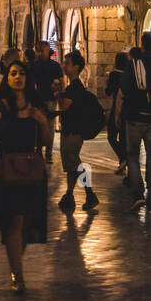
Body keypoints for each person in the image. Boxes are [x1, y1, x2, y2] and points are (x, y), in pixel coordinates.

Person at [0, 59, 51, 293]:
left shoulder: (36, 107)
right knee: (15, 220)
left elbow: (47, 144)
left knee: (27, 222)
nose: (18, 77)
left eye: (21, 73)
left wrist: (43, 123)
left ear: (27, 78)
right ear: (7, 79)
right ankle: (18, 274)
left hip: (31, 170)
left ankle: (15, 264)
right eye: (13, 73)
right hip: (5, 169)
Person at [115, 35, 151, 213]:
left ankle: (138, 195)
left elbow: (123, 90)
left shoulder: (134, 64)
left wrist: (118, 113)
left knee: (133, 157)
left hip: (134, 117)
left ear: (142, 45)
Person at [56, 50, 100, 214]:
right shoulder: (73, 86)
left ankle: (89, 194)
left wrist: (58, 92)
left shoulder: (74, 87)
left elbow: (64, 106)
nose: (64, 66)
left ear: (76, 67)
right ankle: (69, 194)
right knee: (71, 165)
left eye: (67, 63)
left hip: (73, 131)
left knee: (74, 164)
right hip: (71, 129)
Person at [29, 41, 62, 163]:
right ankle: (38, 151)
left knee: (50, 127)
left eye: (43, 50)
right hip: (37, 100)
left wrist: (57, 87)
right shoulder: (34, 65)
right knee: (37, 126)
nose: (41, 53)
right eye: (39, 50)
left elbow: (60, 80)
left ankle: (48, 153)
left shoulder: (55, 65)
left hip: (50, 99)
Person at [106, 52, 129, 175]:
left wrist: (108, 80)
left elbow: (108, 92)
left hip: (117, 107)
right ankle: (123, 161)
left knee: (111, 136)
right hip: (127, 109)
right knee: (124, 138)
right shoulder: (128, 75)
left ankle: (123, 159)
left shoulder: (114, 75)